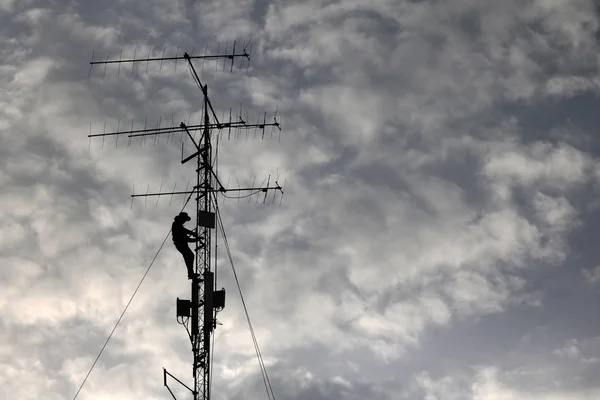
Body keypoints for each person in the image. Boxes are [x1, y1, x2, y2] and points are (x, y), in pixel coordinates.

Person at [172, 212, 201, 279]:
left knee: (189, 257)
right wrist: (194, 236)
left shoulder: (178, 225)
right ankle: (191, 273)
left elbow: (186, 236)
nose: (184, 221)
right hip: (180, 244)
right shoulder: (176, 224)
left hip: (181, 244)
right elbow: (185, 234)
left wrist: (195, 237)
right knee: (189, 256)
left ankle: (191, 273)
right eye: (184, 220)